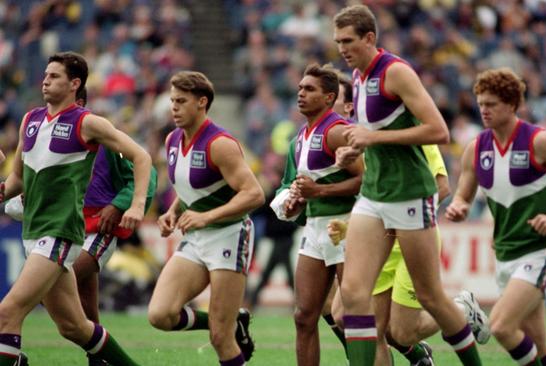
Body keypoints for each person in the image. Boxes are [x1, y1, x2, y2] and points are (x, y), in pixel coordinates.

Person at [333, 5, 482, 365]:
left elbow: (439, 131)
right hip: (374, 196)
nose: (341, 49)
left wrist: (373, 138)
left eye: (348, 41)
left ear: (370, 38)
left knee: (430, 298)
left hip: (410, 196)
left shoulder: (396, 72)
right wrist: (355, 147)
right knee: (353, 295)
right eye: (337, 41)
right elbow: (373, 134)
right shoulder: (357, 76)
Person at [0, 51, 152, 366]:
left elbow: (142, 157)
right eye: (45, 74)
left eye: (54, 76)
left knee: (7, 312)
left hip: (60, 232)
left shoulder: (87, 122)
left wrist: (136, 204)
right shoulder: (30, 119)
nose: (45, 80)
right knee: (74, 327)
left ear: (75, 83)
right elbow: (16, 178)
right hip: (34, 232)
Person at [445, 67, 546, 366]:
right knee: (540, 347)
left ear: (512, 105)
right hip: (504, 254)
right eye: (481, 104)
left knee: (501, 326)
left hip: (539, 252)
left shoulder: (540, 141)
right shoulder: (476, 148)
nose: (484, 111)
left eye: (492, 104)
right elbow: (463, 193)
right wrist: (459, 206)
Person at [147, 71, 265, 366]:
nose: (173, 107)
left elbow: (254, 194)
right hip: (197, 238)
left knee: (219, 337)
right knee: (160, 315)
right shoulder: (172, 139)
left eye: (181, 101)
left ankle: (225, 325)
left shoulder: (220, 144)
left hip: (229, 234)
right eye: (172, 100)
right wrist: (173, 211)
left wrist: (206, 216)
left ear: (202, 102)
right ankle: (231, 320)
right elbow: (192, 186)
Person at [277, 63, 363, 366]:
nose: (300, 93)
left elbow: (367, 179)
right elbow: (309, 183)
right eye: (300, 88)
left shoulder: (337, 131)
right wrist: (296, 201)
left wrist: (320, 192)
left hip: (346, 226)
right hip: (315, 228)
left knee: (354, 318)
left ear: (329, 98)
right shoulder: (301, 136)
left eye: (309, 89)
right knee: (304, 316)